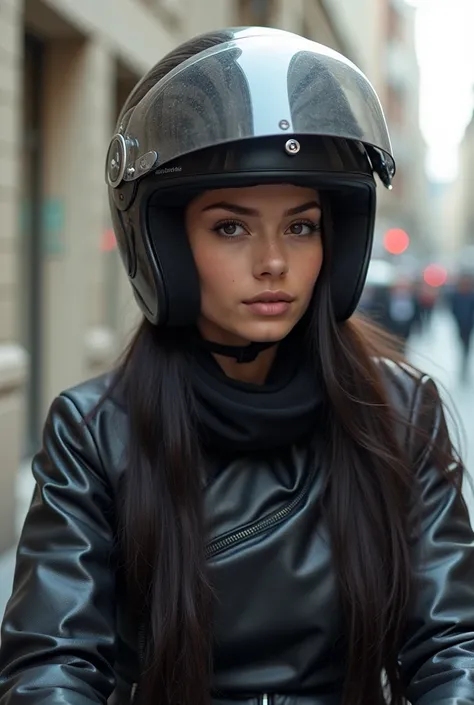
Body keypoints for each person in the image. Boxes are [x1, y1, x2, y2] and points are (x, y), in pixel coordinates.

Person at [1, 26, 474, 705]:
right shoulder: (96, 430)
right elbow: (52, 660)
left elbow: (455, 642)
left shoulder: (399, 413)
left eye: (300, 225)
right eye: (231, 226)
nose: (273, 261)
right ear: (166, 240)